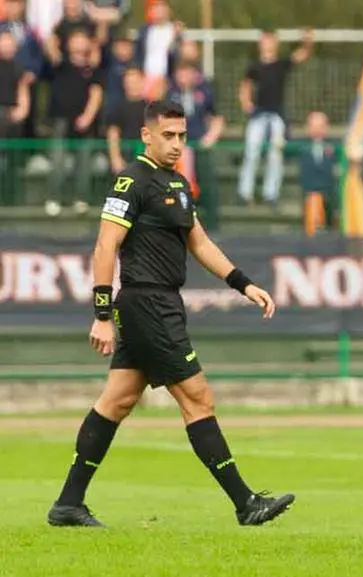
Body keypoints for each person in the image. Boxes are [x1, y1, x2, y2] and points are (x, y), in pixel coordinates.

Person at [47, 100, 295, 528]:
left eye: (182, 136)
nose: (178, 143)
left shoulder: (178, 183)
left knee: (118, 399)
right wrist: (101, 313)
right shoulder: (131, 181)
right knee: (198, 397)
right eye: (168, 135)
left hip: (163, 304)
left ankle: (68, 504)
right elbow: (106, 247)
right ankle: (245, 503)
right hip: (146, 304)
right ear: (146, 135)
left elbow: (199, 244)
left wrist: (244, 283)